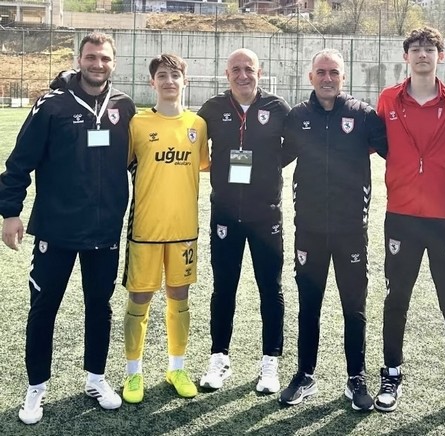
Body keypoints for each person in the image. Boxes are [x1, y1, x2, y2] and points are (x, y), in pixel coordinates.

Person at [0, 32, 135, 424]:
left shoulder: (124, 106)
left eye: (104, 58)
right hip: (56, 230)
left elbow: (136, 162)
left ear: (114, 62)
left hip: (104, 230)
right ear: (79, 59)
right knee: (44, 308)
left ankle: (96, 378)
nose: (97, 64)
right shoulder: (51, 105)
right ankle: (36, 388)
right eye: (91, 57)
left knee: (99, 306)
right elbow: (20, 161)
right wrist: (10, 212)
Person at [375, 26, 445, 423]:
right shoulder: (388, 99)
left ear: (440, 56)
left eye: (429, 49)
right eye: (415, 49)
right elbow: (379, 144)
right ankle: (391, 376)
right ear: (406, 57)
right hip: (401, 217)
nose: (422, 54)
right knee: (396, 299)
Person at [278, 48, 387, 411]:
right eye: (321, 72)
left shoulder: (362, 115)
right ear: (311, 77)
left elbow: (397, 151)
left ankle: (356, 377)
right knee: (309, 305)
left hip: (350, 231)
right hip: (308, 230)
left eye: (334, 72)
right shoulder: (298, 116)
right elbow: (275, 157)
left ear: (343, 77)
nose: (327, 78)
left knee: (353, 308)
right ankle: (305, 375)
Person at [196, 48, 291, 394]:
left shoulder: (277, 108)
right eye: (236, 69)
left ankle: (270, 362)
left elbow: (295, 145)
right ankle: (219, 358)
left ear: (259, 73)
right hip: (225, 213)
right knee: (224, 287)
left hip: (266, 214)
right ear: (227, 75)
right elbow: (192, 143)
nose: (242, 75)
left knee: (270, 288)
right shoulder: (213, 108)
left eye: (248, 69)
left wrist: (268, 166)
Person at [120, 54, 210, 404]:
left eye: (175, 75)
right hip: (145, 230)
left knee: (179, 298)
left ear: (185, 81)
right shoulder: (138, 123)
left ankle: (177, 368)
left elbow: (203, 165)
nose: (169, 81)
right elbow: (123, 164)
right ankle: (133, 373)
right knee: (139, 299)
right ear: (152, 82)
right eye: (162, 75)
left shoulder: (197, 124)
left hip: (184, 231)